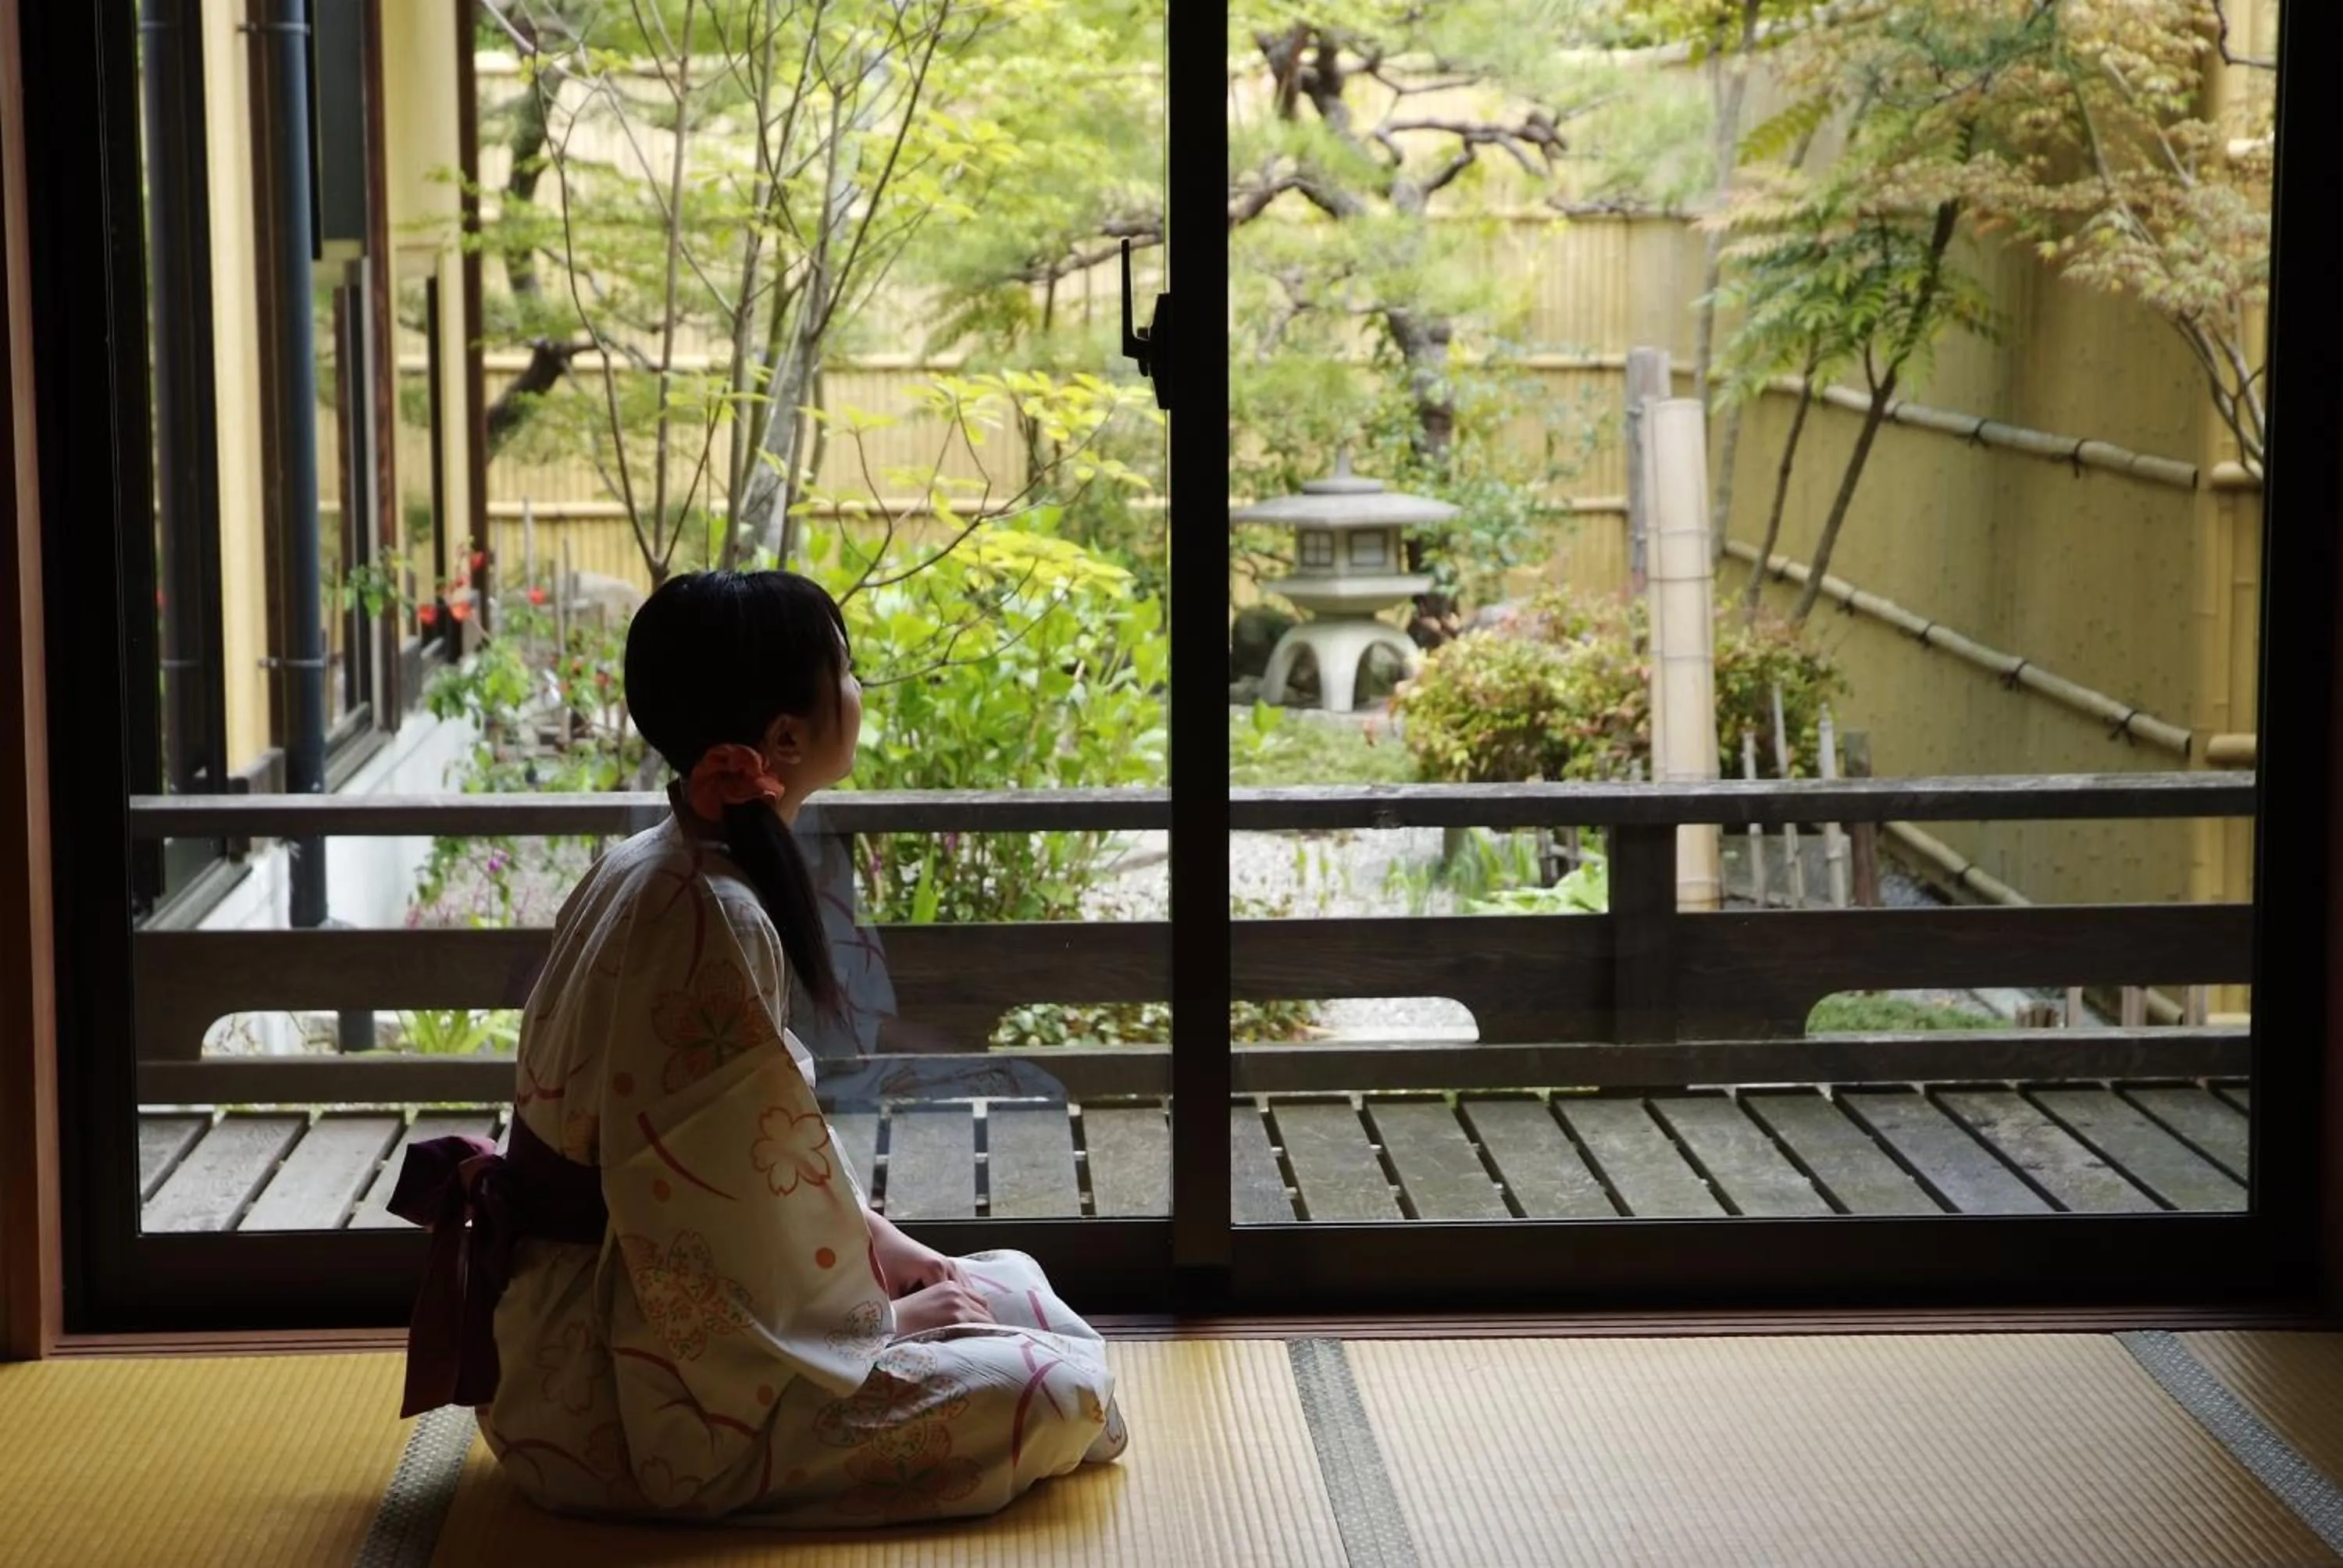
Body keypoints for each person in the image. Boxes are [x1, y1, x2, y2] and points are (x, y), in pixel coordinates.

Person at [390, 569, 1126, 1527]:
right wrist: (887, 1322)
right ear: (784, 738)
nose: (859, 690)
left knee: (1009, 1284)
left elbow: (752, 1171)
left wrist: (888, 1250)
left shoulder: (657, 862)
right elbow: (701, 1242)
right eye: (848, 669)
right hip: (632, 1402)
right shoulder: (711, 910)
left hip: (596, 1338)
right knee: (1065, 1392)